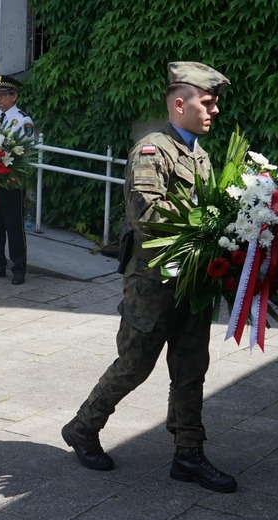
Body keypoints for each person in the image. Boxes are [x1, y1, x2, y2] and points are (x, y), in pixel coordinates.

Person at [61, 62, 236, 493]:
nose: (214, 110)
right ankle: (83, 427)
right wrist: (208, 228)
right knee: (134, 365)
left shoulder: (199, 155)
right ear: (180, 104)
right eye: (207, 102)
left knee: (191, 366)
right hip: (153, 281)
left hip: (193, 279)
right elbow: (147, 214)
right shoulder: (152, 151)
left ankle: (189, 454)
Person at [0, 74, 35, 285]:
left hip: (11, 179)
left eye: (4, 95)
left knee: (14, 225)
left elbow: (26, 148)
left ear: (14, 96)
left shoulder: (22, 120)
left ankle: (19, 267)